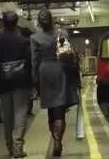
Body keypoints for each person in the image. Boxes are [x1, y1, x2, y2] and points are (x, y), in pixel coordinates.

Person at [30, 9, 78, 157]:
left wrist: (34, 82)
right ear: (52, 20)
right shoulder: (61, 34)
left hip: (45, 73)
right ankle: (58, 140)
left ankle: (55, 137)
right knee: (59, 108)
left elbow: (34, 61)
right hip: (60, 70)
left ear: (38, 21)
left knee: (51, 109)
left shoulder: (34, 38)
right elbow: (69, 53)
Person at [0, 11, 31, 158]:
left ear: (3, 23)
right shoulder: (24, 41)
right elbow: (29, 63)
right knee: (20, 114)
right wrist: (33, 84)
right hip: (21, 82)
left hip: (3, 83)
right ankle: (18, 146)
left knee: (7, 117)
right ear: (16, 23)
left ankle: (9, 146)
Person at [20, 27, 35, 117]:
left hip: (21, 71)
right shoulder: (31, 45)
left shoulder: (20, 44)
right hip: (29, 72)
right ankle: (29, 110)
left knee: (23, 93)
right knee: (30, 93)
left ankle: (24, 109)